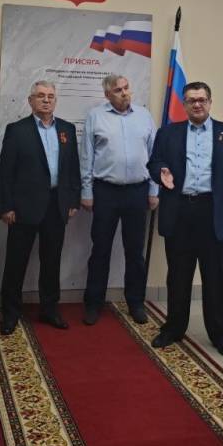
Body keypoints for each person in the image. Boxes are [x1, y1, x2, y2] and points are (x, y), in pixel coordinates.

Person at [147, 81, 223, 358]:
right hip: (179, 211)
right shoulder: (168, 134)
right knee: (178, 276)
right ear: (185, 104)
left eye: (202, 99)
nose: (197, 104)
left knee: (216, 278)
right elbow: (154, 163)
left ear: (210, 102)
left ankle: (221, 335)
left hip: (213, 213)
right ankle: (173, 329)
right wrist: (161, 171)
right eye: (192, 100)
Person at [0, 81, 80, 335]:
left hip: (57, 206)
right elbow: (5, 172)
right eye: (41, 96)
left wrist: (72, 200)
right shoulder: (17, 130)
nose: (46, 100)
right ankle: (10, 313)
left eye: (50, 96)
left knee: (52, 261)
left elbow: (72, 168)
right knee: (16, 262)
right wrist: (6, 206)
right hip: (23, 208)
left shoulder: (66, 129)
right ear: (31, 100)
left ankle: (50, 309)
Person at [80, 74, 158, 326]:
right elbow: (87, 157)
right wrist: (87, 192)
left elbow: (155, 155)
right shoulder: (95, 116)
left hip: (138, 191)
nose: (124, 93)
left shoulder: (144, 116)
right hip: (106, 192)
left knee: (135, 252)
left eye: (126, 88)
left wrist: (154, 190)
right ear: (107, 95)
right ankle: (93, 304)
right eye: (117, 90)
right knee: (100, 250)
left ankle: (136, 302)